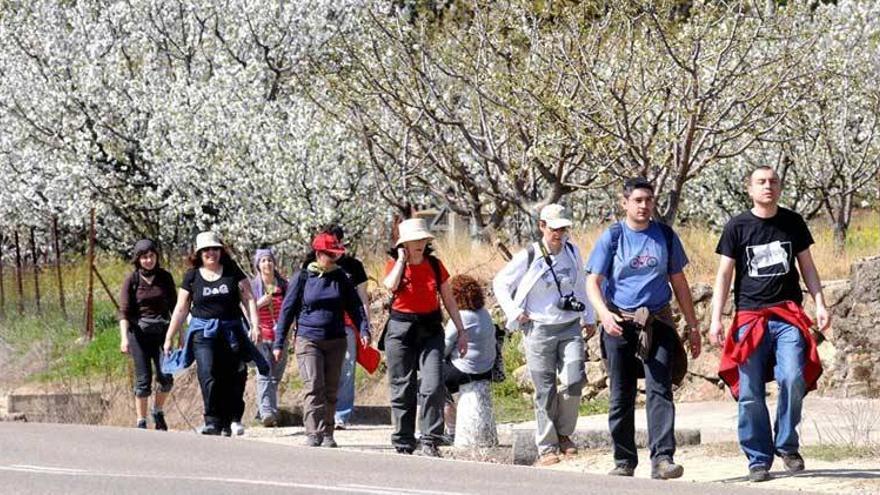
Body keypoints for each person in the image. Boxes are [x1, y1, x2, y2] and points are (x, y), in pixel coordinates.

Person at [709, 166, 829, 483]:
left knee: (792, 377)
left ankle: (787, 446)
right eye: (761, 182)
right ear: (749, 189)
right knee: (749, 392)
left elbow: (808, 267)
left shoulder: (792, 223)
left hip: (787, 315)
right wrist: (715, 318)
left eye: (773, 182)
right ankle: (758, 459)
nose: (768, 187)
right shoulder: (736, 226)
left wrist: (819, 303)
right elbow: (723, 276)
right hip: (750, 318)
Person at [585, 177, 701, 479]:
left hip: (657, 320)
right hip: (618, 322)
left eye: (649, 200)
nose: (644, 205)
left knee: (660, 389)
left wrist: (692, 324)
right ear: (624, 203)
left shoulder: (664, 235)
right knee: (620, 392)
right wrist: (604, 315)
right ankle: (624, 461)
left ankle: (663, 459)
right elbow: (592, 282)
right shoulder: (612, 237)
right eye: (638, 200)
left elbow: (679, 282)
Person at [493, 204, 595, 467]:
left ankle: (563, 433)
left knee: (574, 380)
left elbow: (581, 284)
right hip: (538, 329)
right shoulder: (529, 255)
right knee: (545, 390)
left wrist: (589, 316)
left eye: (563, 229)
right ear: (542, 226)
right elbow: (501, 283)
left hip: (570, 325)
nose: (559, 234)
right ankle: (547, 447)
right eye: (554, 229)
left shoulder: (572, 251)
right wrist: (515, 312)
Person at [163, 231, 267, 436]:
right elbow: (181, 308)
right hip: (203, 332)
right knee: (208, 373)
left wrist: (255, 325)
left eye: (215, 249)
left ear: (220, 251)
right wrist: (169, 336)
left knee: (234, 374)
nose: (211, 253)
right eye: (206, 250)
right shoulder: (192, 276)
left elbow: (249, 298)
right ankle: (212, 420)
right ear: (199, 253)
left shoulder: (232, 272)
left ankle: (231, 419)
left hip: (231, 329)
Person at [273, 232, 370, 448]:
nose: (334, 258)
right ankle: (313, 432)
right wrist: (279, 343)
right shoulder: (302, 277)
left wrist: (364, 329)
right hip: (308, 339)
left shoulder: (341, 278)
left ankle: (328, 433)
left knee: (331, 388)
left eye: (336, 254)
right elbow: (287, 311)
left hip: (336, 339)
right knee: (314, 385)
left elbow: (354, 305)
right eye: (329, 254)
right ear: (318, 254)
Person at [381, 217, 467, 457]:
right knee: (402, 386)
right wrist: (400, 261)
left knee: (433, 384)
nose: (418, 244)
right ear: (404, 244)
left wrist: (461, 331)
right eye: (413, 241)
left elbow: (449, 299)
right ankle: (404, 439)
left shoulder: (435, 265)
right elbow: (390, 285)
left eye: (422, 240)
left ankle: (430, 438)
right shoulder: (394, 265)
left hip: (430, 328)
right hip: (400, 329)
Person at [301, 224, 371, 430]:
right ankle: (319, 414)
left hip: (347, 325)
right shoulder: (309, 264)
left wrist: (365, 325)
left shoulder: (354, 266)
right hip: (316, 327)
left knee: (346, 369)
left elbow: (362, 298)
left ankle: (341, 414)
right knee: (318, 374)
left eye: (337, 243)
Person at [118, 239, 176, 430]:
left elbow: (177, 309)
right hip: (139, 336)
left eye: (151, 256)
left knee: (166, 376)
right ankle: (141, 421)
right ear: (138, 259)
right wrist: (124, 338)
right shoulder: (132, 281)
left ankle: (158, 411)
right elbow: (124, 312)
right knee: (143, 380)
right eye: (144, 257)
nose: (148, 260)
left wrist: (180, 334)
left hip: (162, 333)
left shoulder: (165, 278)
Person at [441, 274, 496, 442]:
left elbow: (444, 348)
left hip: (465, 370)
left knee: (431, 381)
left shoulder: (460, 317)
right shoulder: (485, 313)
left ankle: (450, 430)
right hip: (487, 369)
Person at [250, 247, 288, 427]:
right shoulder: (252, 286)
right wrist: (259, 303)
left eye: (270, 260)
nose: (267, 264)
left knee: (276, 375)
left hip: (280, 335)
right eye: (263, 261)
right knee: (264, 371)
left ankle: (266, 408)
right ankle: (267, 412)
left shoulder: (283, 285)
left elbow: (290, 309)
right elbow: (246, 311)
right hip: (262, 333)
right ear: (258, 265)